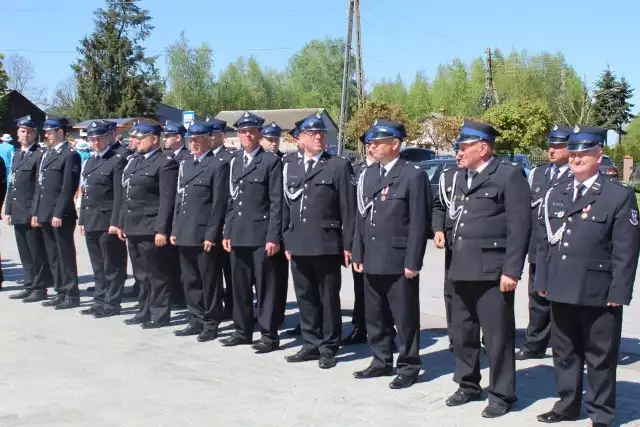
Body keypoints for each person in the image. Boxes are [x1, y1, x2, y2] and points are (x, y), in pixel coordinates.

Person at [534, 125, 640, 427]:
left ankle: (601, 414)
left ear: (599, 154)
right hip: (559, 287)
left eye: (585, 153)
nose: (577, 158)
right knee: (564, 352)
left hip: (598, 291)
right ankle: (568, 405)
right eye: (574, 153)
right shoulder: (557, 193)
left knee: (599, 356)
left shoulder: (617, 196)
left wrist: (619, 292)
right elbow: (544, 243)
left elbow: (626, 250)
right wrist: (541, 281)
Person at [444, 120, 531, 418]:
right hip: (461, 268)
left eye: (464, 146)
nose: (459, 151)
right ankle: (467, 384)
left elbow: (519, 227)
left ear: (483, 147)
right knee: (463, 332)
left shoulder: (508, 175)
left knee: (497, 337)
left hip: (493, 272)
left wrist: (512, 271)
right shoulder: (460, 177)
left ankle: (502, 393)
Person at [351, 119, 430, 388]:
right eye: (371, 142)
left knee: (404, 316)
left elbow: (420, 222)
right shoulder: (370, 174)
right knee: (375, 315)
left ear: (395, 144)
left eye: (378, 141)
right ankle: (381, 360)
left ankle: (409, 365)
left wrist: (413, 261)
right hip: (372, 256)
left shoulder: (412, 174)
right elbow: (361, 218)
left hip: (399, 259)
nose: (371, 145)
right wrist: (358, 254)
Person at [282, 112, 355, 369]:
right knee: (305, 296)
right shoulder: (289, 165)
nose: (319, 137)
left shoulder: (337, 165)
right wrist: (286, 240)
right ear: (300, 139)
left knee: (328, 297)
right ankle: (310, 343)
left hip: (327, 243)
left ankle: (328, 346)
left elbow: (348, 208)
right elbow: (284, 206)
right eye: (313, 134)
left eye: (322, 133)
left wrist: (348, 245)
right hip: (298, 242)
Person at [220, 112, 284, 354]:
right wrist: (227, 231)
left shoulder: (270, 161)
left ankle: (268, 335)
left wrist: (273, 236)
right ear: (238, 135)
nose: (248, 135)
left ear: (259, 135)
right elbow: (231, 200)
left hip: (261, 235)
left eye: (252, 131)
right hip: (238, 234)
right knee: (240, 286)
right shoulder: (235, 162)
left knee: (265, 288)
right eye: (243, 131)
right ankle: (242, 330)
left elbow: (276, 202)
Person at [516, 125, 573, 361]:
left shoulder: (576, 175)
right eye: (550, 145)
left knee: (562, 300)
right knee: (537, 298)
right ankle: (534, 344)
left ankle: (565, 346)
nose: (552, 150)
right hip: (539, 246)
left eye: (558, 146)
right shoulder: (538, 174)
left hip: (563, 249)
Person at [170, 122, 229, 342]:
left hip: (204, 233)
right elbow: (179, 199)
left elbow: (218, 204)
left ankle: (210, 322)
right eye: (190, 140)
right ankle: (195, 317)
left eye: (198, 140)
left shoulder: (217, 165)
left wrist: (211, 235)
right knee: (190, 279)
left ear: (208, 140)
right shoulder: (185, 165)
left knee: (209, 281)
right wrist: (175, 228)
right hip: (185, 231)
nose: (193, 144)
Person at [118, 122, 179, 329]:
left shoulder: (165, 163)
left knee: (157, 274)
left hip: (151, 227)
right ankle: (143, 310)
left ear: (154, 139)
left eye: (140, 138)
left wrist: (162, 229)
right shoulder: (134, 161)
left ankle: (160, 314)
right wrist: (122, 223)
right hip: (134, 226)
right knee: (141, 274)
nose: (136, 142)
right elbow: (127, 196)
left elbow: (167, 199)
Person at [78, 120, 128, 318]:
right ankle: (99, 299)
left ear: (109, 137)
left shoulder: (116, 160)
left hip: (108, 220)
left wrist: (116, 223)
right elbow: (85, 193)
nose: (96, 142)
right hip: (91, 218)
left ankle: (112, 303)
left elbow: (119, 196)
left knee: (112, 265)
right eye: (92, 138)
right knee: (98, 266)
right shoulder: (90, 161)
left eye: (99, 138)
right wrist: (82, 219)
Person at [33, 116, 82, 310]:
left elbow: (68, 187)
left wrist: (59, 213)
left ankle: (71, 292)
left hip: (60, 214)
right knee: (53, 255)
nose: (46, 135)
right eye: (46, 132)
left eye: (50, 132)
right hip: (45, 212)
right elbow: (41, 185)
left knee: (64, 254)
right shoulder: (47, 153)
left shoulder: (70, 155)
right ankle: (60, 290)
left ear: (60, 131)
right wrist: (37, 211)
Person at [4, 116, 50, 302]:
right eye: (23, 131)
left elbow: (40, 187)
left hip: (31, 211)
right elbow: (12, 184)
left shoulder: (39, 155)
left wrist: (37, 212)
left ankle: (39, 287)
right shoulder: (17, 155)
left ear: (35, 134)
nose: (26, 135)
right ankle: (29, 283)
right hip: (18, 209)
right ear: (17, 133)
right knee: (24, 251)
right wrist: (8, 209)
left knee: (36, 251)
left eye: (29, 132)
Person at [342, 143, 377, 346]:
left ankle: (384, 331)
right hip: (359, 237)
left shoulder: (387, 171)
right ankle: (359, 327)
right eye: (369, 144)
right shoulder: (356, 170)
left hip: (380, 239)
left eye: (375, 144)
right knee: (360, 287)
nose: (372, 148)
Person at [431, 143, 462, 352]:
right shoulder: (450, 176)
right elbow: (439, 206)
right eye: (457, 150)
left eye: (462, 150)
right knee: (452, 293)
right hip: (454, 245)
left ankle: (487, 337)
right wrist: (438, 229)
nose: (458, 155)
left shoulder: (501, 175)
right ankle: (456, 337)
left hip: (484, 249)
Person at [260, 121, 290, 329]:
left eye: (276, 140)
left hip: (279, 230)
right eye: (269, 140)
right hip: (260, 229)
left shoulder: (285, 162)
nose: (273, 144)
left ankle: (275, 317)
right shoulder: (260, 162)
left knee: (277, 280)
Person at [205, 117, 236, 320]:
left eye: (213, 134)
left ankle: (232, 305)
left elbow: (231, 194)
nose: (210, 138)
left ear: (221, 136)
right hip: (206, 224)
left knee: (229, 269)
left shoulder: (229, 157)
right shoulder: (203, 158)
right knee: (212, 269)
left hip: (225, 221)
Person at [162, 120, 189, 309]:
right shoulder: (168, 157)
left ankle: (182, 297)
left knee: (182, 264)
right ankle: (174, 295)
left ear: (178, 137)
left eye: (168, 135)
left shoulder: (187, 158)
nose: (165, 139)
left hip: (181, 217)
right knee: (169, 262)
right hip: (170, 218)